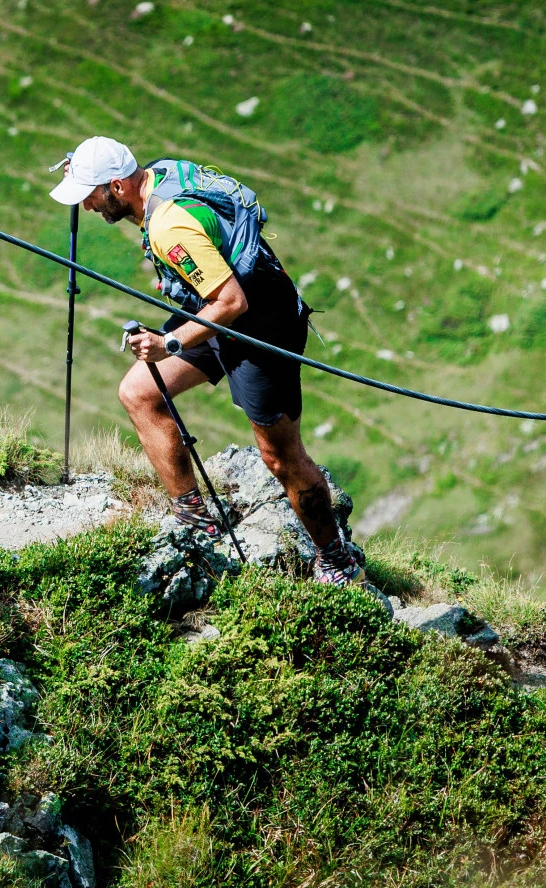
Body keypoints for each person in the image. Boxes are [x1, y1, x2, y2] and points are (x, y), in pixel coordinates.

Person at [48, 136, 366, 585]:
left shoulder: (168, 226)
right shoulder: (158, 172)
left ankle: (336, 559)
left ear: (116, 186)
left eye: (90, 195)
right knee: (139, 391)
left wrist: (170, 345)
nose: (88, 207)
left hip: (259, 326)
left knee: (280, 456)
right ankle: (198, 523)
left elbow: (231, 301)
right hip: (213, 307)